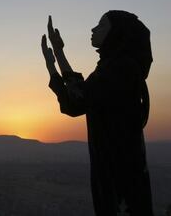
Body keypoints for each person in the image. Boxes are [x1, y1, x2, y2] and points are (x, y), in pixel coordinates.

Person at [41, 11, 154, 216]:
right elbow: (76, 103)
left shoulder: (121, 69)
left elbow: (80, 98)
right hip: (116, 172)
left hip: (121, 177)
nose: (93, 30)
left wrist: (57, 55)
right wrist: (54, 60)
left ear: (117, 33)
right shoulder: (112, 67)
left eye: (102, 26)